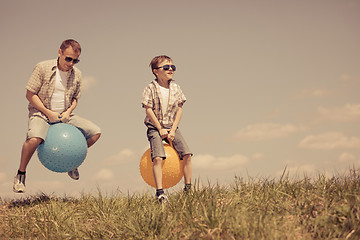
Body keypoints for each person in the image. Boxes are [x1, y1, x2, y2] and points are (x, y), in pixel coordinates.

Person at [13, 39, 101, 193]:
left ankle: (71, 163)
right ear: (59, 53)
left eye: (75, 60)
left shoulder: (77, 74)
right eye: (68, 58)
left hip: (65, 115)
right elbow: (30, 94)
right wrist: (49, 113)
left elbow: (75, 99)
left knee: (95, 132)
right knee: (34, 138)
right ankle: (20, 174)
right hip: (42, 113)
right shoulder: (42, 67)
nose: (71, 63)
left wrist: (67, 113)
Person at [141, 55, 193, 202]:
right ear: (156, 71)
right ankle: (160, 193)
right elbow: (148, 110)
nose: (170, 69)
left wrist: (172, 130)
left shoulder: (176, 88)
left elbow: (180, 109)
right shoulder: (150, 88)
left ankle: (188, 190)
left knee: (187, 154)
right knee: (158, 157)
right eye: (166, 67)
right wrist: (160, 129)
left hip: (172, 126)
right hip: (155, 127)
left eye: (172, 67)